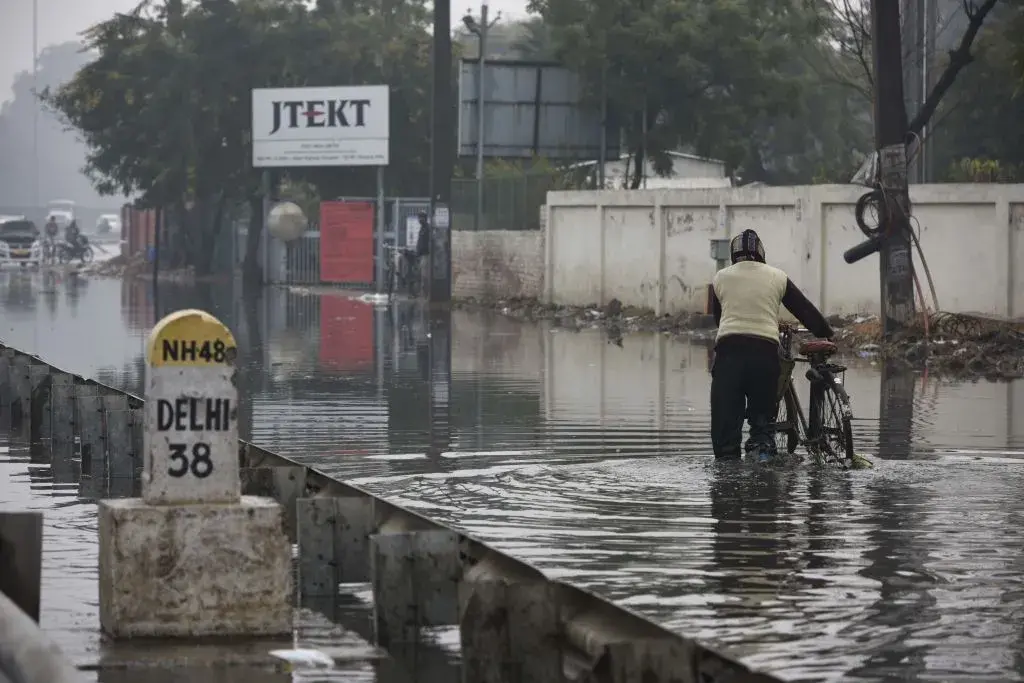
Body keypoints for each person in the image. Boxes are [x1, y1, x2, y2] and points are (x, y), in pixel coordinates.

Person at [709, 229, 834, 462]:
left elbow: (719, 320)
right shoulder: (777, 276)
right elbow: (804, 310)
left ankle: (726, 481)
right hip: (764, 356)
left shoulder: (720, 278)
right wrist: (826, 333)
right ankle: (762, 463)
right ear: (761, 253)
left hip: (729, 355)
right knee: (762, 425)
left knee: (725, 431)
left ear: (733, 254)